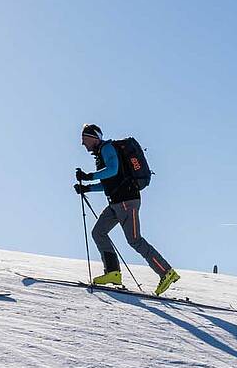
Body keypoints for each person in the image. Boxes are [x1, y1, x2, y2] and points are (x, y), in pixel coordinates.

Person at [75, 123, 181, 295]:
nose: (82, 143)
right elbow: (108, 183)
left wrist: (89, 176)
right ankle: (113, 273)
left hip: (127, 201)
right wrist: (87, 188)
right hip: (116, 203)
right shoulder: (101, 154)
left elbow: (113, 170)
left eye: (84, 138)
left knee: (134, 240)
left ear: (93, 137)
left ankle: (166, 272)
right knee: (98, 232)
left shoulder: (107, 148)